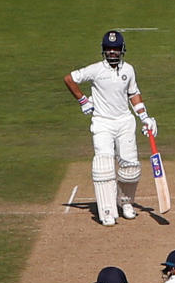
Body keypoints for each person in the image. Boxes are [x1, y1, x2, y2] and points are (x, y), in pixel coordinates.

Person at [64, 30, 158, 226]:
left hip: (125, 121)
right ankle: (106, 209)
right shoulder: (96, 70)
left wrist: (145, 117)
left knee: (131, 167)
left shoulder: (129, 70)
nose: (112, 52)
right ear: (103, 51)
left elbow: (134, 94)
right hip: (102, 122)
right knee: (104, 166)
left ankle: (125, 203)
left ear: (122, 49)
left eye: (115, 49)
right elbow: (69, 79)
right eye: (109, 49)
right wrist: (83, 101)